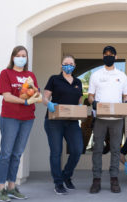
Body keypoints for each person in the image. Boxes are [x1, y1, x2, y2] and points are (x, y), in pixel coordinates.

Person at [0, 46, 42, 201]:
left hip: (27, 118)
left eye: (24, 55)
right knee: (6, 153)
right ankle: (1, 189)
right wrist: (25, 101)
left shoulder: (30, 75)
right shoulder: (6, 73)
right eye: (18, 55)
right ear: (13, 57)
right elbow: (7, 96)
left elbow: (37, 95)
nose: (21, 58)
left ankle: (12, 187)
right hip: (10, 117)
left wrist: (34, 89)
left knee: (17, 154)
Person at [88, 46, 127, 194]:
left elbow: (126, 96)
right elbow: (90, 95)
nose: (108, 56)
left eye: (111, 54)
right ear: (102, 57)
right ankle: (96, 179)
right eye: (106, 54)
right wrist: (92, 102)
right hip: (100, 118)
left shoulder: (122, 76)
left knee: (115, 149)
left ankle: (114, 179)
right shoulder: (96, 75)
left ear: (116, 57)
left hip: (117, 118)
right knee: (97, 149)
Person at [43, 55, 84, 195]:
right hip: (54, 120)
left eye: (71, 63)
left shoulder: (78, 81)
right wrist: (49, 103)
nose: (68, 65)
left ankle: (66, 175)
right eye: (65, 63)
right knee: (56, 152)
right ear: (61, 65)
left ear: (74, 65)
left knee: (77, 149)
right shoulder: (54, 79)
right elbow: (44, 97)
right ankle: (58, 182)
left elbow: (79, 99)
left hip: (72, 121)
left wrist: (80, 108)